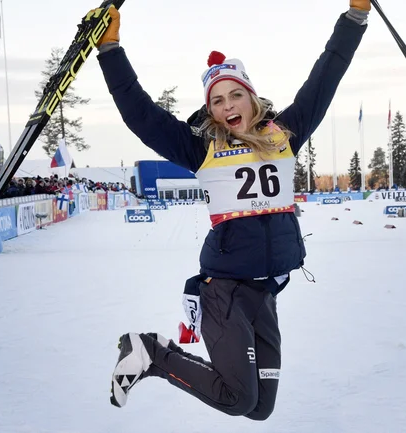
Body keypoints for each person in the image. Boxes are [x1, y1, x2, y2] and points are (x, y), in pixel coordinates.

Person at [93, 0, 370, 420]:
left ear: (251, 96)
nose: (228, 105)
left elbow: (325, 77)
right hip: (225, 291)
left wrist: (355, 17)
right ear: (211, 111)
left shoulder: (285, 135)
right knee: (238, 398)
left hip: (266, 292)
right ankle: (148, 352)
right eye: (218, 100)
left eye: (235, 94)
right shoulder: (202, 148)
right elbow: (140, 114)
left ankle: (156, 352)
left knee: (260, 409)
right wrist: (111, 51)